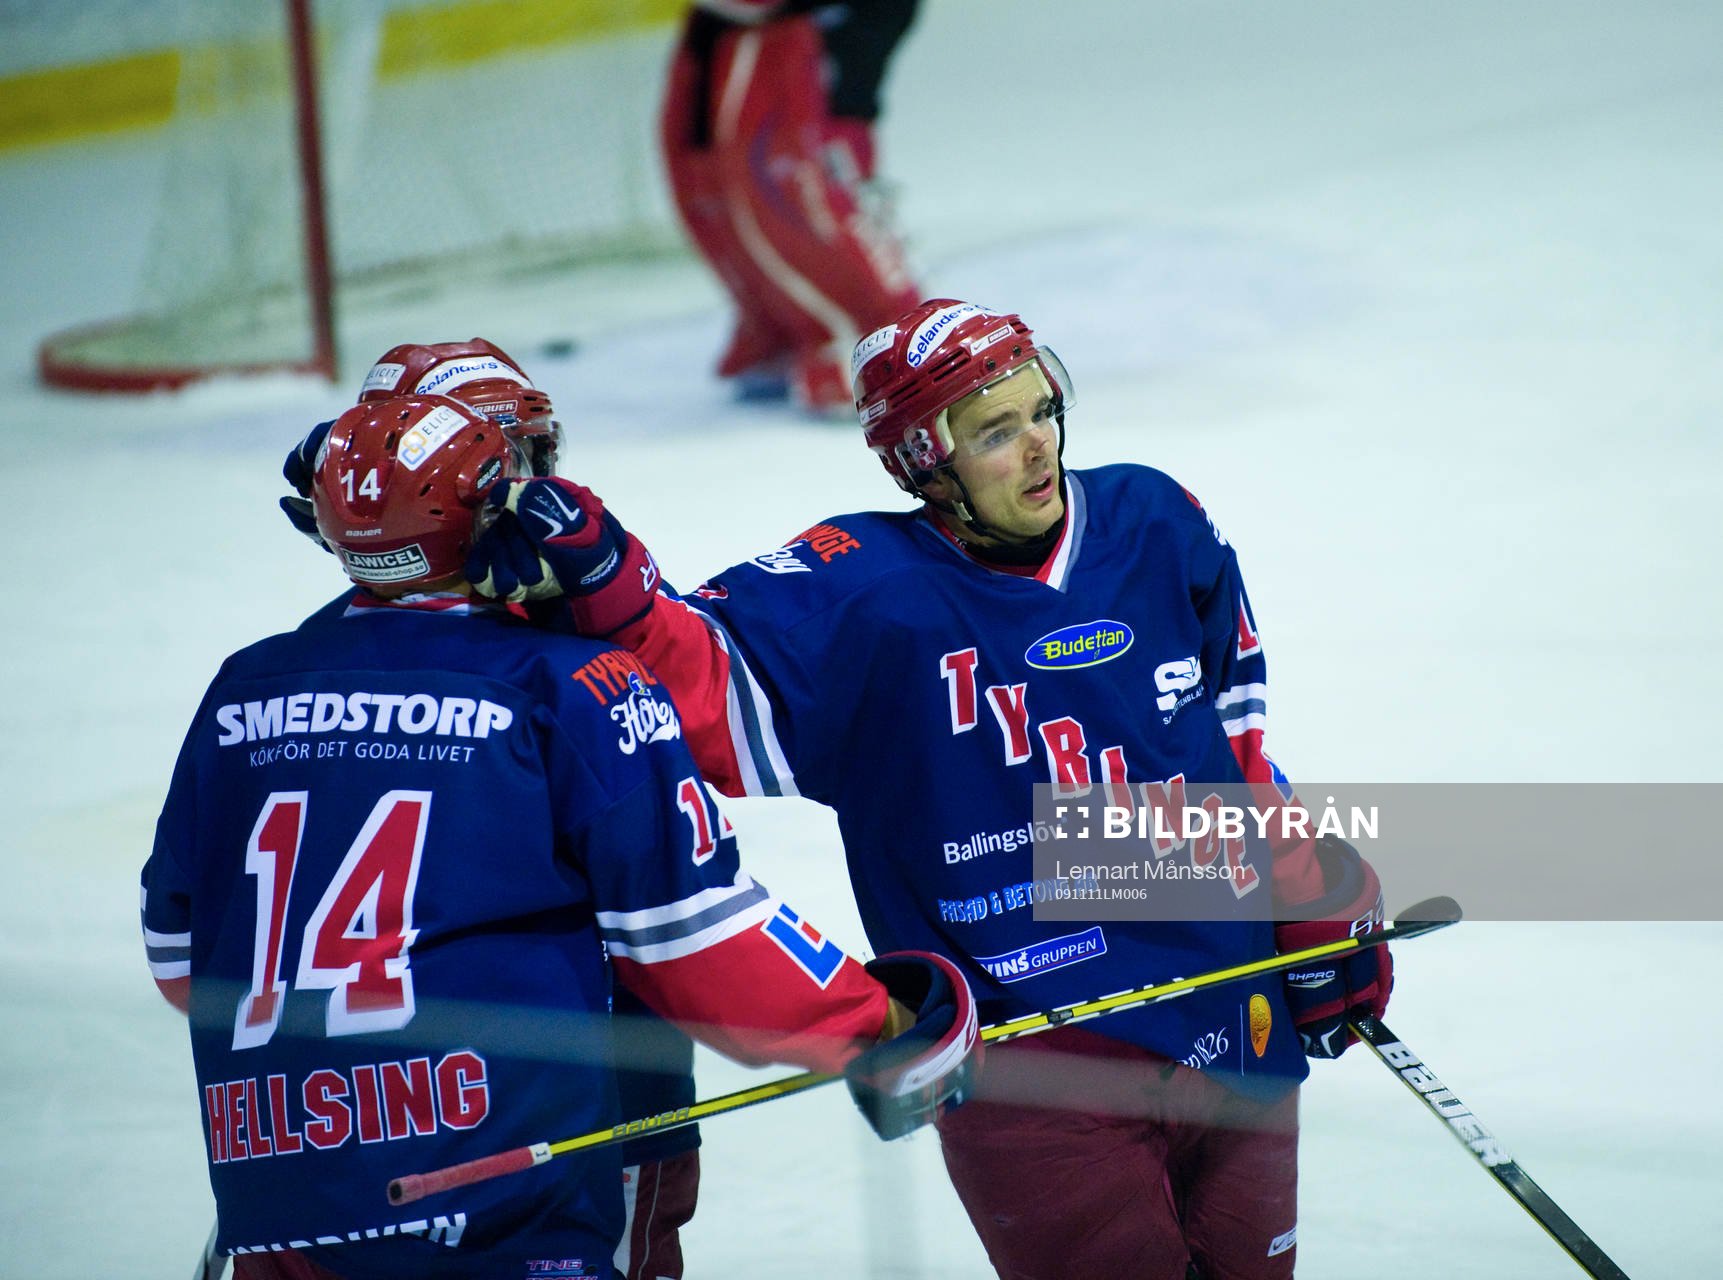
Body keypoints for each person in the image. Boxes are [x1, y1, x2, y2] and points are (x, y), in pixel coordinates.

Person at [456, 299, 1394, 1278]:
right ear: (921, 462)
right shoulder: (860, 593)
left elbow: (1230, 756)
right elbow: (682, 688)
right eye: (997, 431)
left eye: (1042, 410)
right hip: (1042, 1072)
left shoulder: (1157, 522)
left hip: (1231, 1013)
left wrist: (1309, 891)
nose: (1040, 448)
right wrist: (609, 584)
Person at [144, 393, 979, 1279]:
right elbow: (693, 937)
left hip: (281, 1188)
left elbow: (179, 957)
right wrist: (878, 1024)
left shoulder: (242, 686)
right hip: (495, 1188)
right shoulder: (572, 683)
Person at [279, 337, 704, 1278]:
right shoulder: (876, 587)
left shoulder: (270, 683)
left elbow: (713, 712)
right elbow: (713, 731)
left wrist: (613, 597)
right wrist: (872, 1028)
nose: (549, 493)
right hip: (1063, 1018)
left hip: (321, 1126)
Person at [661, 0, 921, 412]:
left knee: (802, 194)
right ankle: (783, 331)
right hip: (744, 38)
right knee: (714, 195)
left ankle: (891, 343)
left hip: (817, 50)